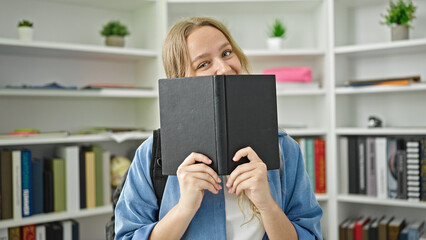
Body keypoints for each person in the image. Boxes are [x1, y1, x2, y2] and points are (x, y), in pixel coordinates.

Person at [115, 17, 323, 240]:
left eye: (226, 53)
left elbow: (310, 235)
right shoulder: (151, 154)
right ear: (180, 80)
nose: (224, 68)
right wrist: (184, 209)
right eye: (203, 64)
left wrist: (267, 206)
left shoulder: (285, 149)